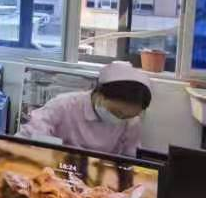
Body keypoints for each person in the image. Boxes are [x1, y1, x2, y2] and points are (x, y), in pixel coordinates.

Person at [18, 61, 151, 157]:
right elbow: (27, 138)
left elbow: (131, 159)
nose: (120, 119)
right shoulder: (64, 105)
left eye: (127, 117)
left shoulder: (132, 122)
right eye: (117, 113)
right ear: (99, 95)